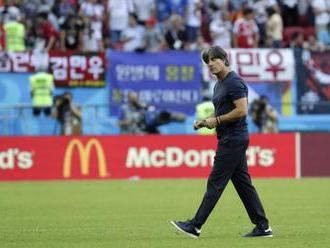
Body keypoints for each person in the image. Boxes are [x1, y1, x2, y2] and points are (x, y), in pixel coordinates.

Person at [170, 46, 272, 238]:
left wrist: (215, 121)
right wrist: (205, 120)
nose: (210, 64)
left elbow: (242, 111)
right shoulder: (219, 84)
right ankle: (263, 227)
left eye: (214, 59)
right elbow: (220, 110)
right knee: (243, 185)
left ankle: (195, 225)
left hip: (234, 138)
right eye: (207, 61)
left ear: (224, 59)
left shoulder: (235, 82)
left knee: (215, 183)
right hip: (229, 137)